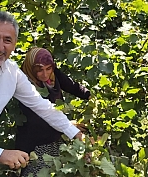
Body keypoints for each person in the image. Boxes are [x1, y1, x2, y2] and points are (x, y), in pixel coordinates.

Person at [0, 11, 84, 176]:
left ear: (15, 44)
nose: (0, 47)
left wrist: (75, 133)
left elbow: (42, 106)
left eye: (7, 40)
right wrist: (0, 154)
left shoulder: (12, 72)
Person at [15, 47, 91, 176]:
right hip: (36, 144)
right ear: (31, 69)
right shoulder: (24, 85)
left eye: (48, 69)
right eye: (39, 71)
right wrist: (68, 126)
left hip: (56, 136)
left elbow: (72, 86)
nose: (45, 74)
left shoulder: (53, 75)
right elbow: (38, 118)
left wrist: (91, 97)